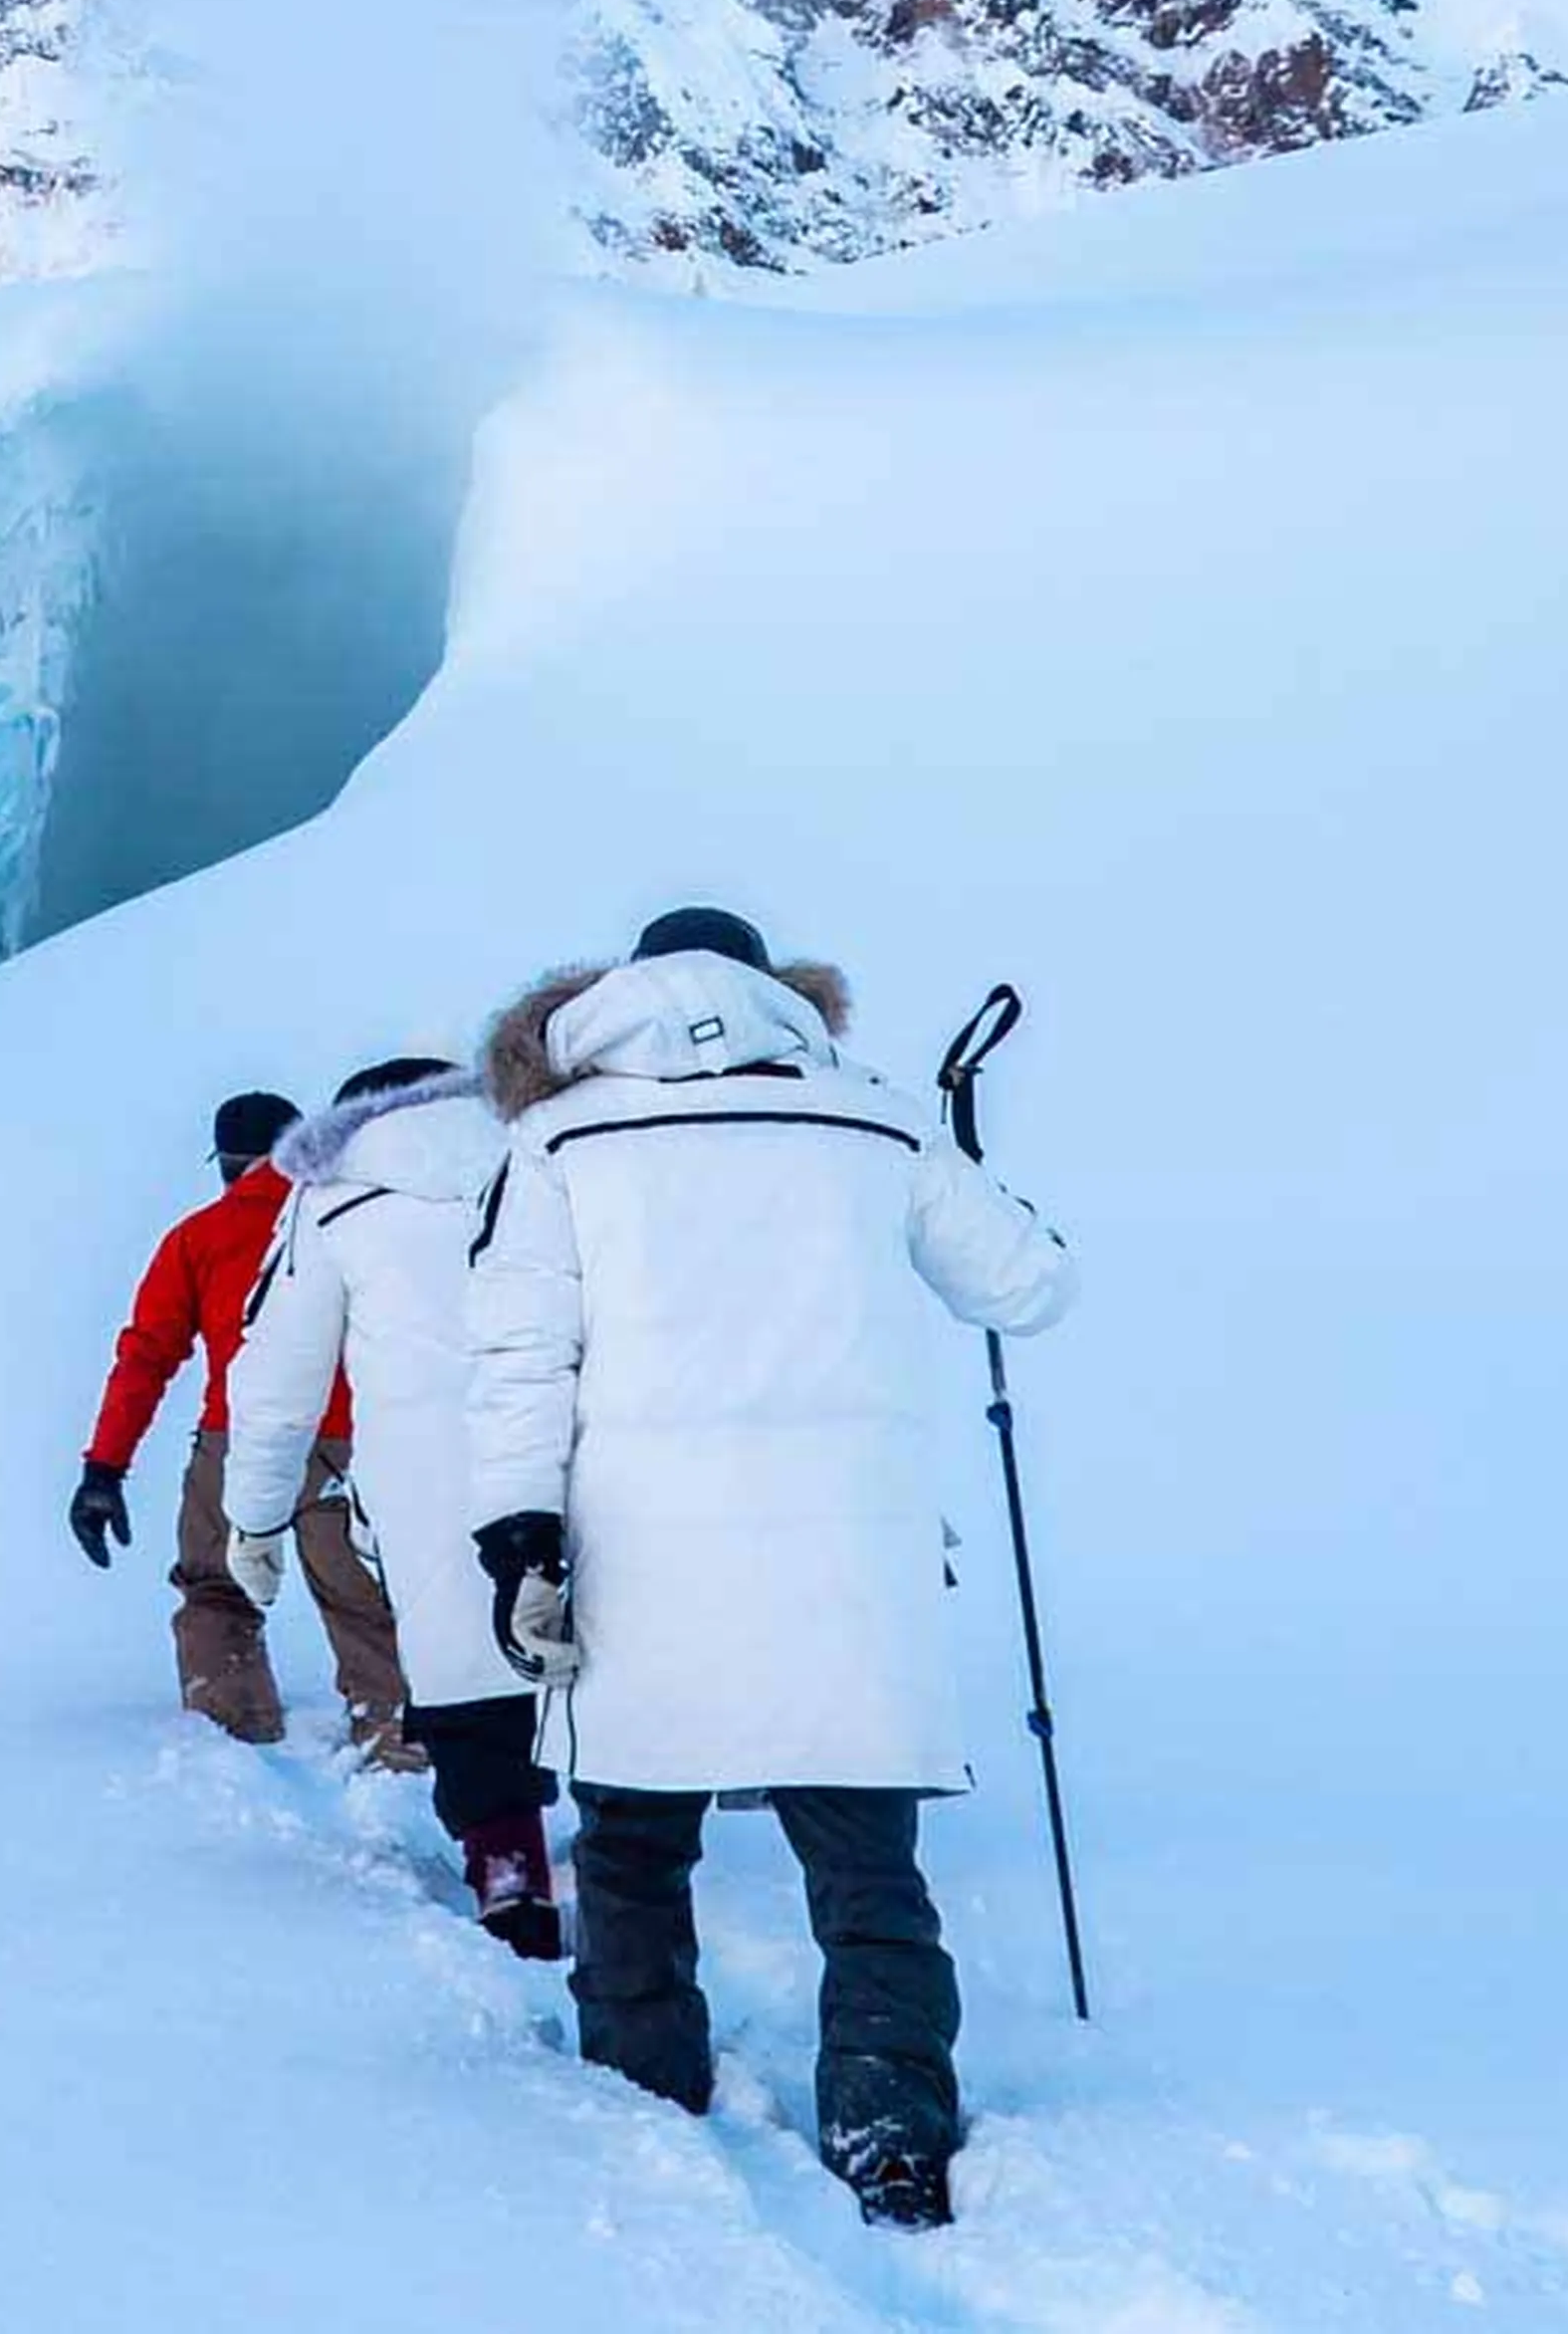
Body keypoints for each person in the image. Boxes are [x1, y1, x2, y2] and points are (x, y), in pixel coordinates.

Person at [464, 907, 1077, 2231]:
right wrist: (964, 1146)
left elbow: (519, 1353)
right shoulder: (873, 1113)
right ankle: (891, 2124)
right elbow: (1030, 1285)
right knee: (867, 1862)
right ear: (781, 992)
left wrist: (518, 1527)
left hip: (642, 1542)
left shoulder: (557, 1135)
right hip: (846, 1553)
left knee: (632, 1843)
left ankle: (645, 2096)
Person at [223, 1057, 560, 1957]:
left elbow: (275, 1381)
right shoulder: (547, 1155)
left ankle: (512, 1881)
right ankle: (631, 1881)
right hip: (574, 1455)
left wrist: (254, 1519)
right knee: (588, 1673)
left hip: (426, 1481)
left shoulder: (330, 1195)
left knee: (469, 1684)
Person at [74, 1090, 413, 1760]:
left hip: (236, 1438)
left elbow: (144, 1358)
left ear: (226, 1163)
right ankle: (396, 1732)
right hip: (350, 1438)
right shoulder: (348, 1220)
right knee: (363, 1597)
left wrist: (103, 1469)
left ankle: (233, 1728)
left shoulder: (196, 1237)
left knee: (217, 1587)